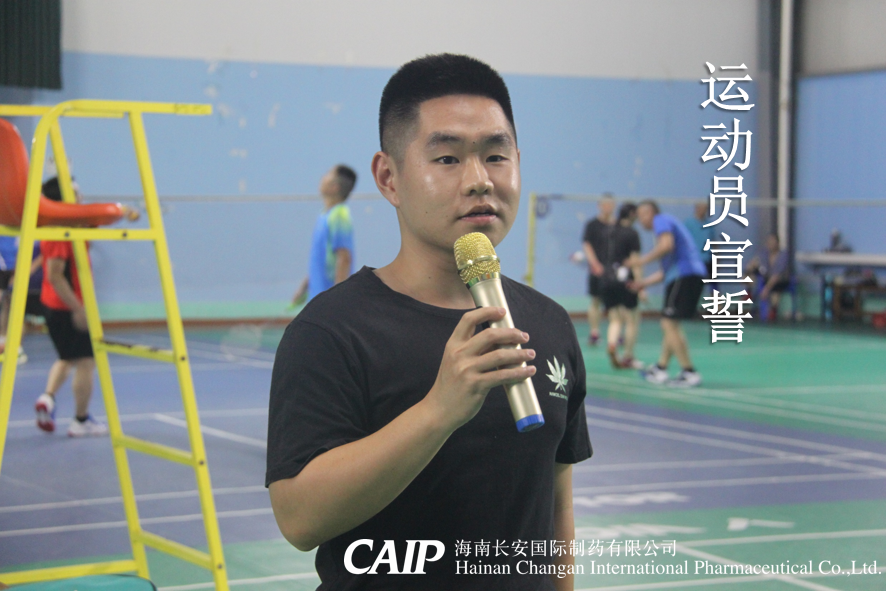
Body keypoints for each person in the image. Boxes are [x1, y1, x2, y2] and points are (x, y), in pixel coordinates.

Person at [267, 54, 591, 590]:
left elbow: (556, 510)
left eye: (496, 156)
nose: (479, 181)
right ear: (389, 177)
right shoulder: (331, 331)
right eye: (447, 158)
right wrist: (439, 411)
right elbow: (299, 519)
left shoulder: (549, 323)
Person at [34, 177, 107, 436]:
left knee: (67, 357)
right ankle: (81, 420)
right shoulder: (58, 231)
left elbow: (100, 218)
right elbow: (55, 275)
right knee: (86, 362)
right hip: (65, 306)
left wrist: (126, 213)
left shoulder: (72, 223)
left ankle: (48, 398)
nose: (81, 195)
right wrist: (78, 309)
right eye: (75, 192)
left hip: (57, 305)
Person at [628, 200, 706, 387]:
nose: (640, 220)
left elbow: (666, 246)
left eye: (642, 215)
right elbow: (664, 272)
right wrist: (642, 283)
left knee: (668, 323)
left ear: (650, 213)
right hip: (687, 275)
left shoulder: (661, 220)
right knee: (671, 324)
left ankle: (689, 372)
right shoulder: (665, 230)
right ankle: (661, 368)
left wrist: (640, 261)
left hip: (685, 275)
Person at [290, 165, 357, 306]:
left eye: (327, 174)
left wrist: (337, 299)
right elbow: (320, 259)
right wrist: (304, 287)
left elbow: (344, 258)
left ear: (335, 187)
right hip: (318, 298)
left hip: (330, 303)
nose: (322, 177)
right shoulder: (324, 215)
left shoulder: (340, 215)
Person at [600, 202, 644, 369]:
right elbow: (635, 261)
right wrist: (640, 284)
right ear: (632, 214)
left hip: (607, 279)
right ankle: (628, 357)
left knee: (615, 319)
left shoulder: (609, 231)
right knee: (632, 320)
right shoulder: (632, 233)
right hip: (626, 281)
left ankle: (612, 344)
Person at [0, 236, 44, 364]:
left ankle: (16, 348)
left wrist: (24, 273)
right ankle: (4, 342)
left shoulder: (39, 239)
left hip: (33, 282)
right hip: (15, 275)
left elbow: (41, 257)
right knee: (8, 305)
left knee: (18, 311)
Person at [581, 194, 614, 345]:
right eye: (605, 204)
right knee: (595, 300)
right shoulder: (592, 225)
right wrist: (595, 264)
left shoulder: (617, 225)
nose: (607, 207)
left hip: (613, 271)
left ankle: (615, 334)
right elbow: (587, 245)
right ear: (599, 206)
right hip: (596, 270)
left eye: (610, 204)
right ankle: (594, 332)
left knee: (615, 303)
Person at [747, 233, 790, 320]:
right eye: (769, 242)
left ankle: (773, 310)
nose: (770, 244)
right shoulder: (764, 254)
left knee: (775, 289)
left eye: (772, 242)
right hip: (767, 278)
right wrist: (750, 266)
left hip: (780, 280)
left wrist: (766, 289)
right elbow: (756, 263)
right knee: (751, 273)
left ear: (777, 243)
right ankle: (749, 292)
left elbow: (776, 275)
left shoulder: (782, 256)